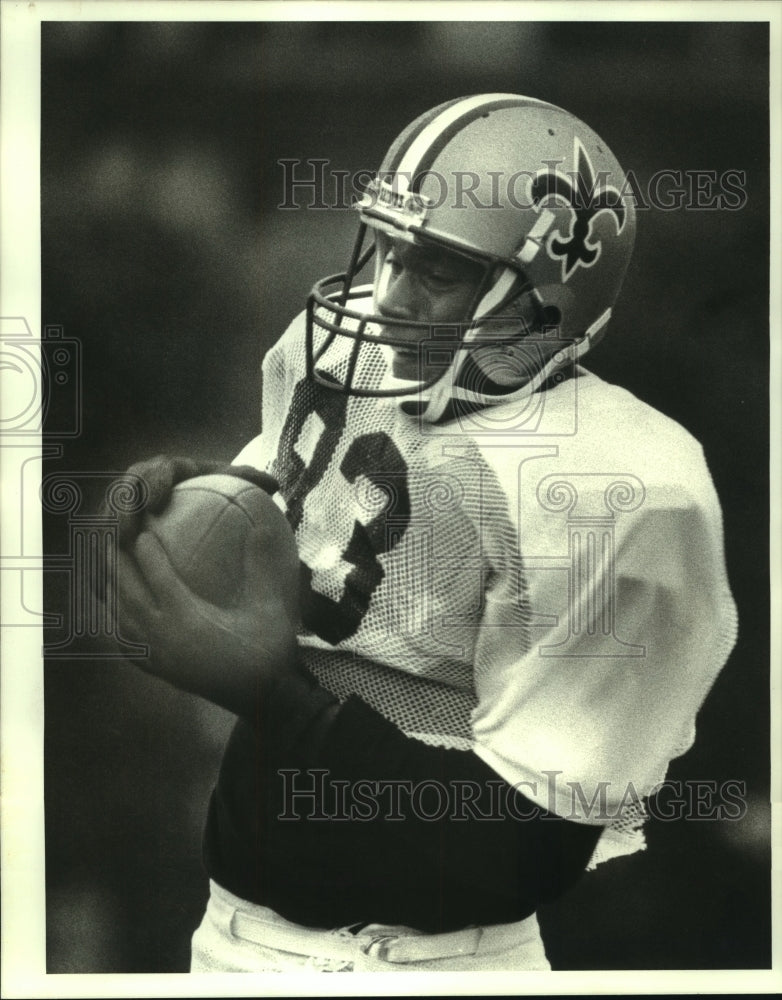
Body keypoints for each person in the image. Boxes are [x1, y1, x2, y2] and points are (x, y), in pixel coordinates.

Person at [112, 94, 738, 972]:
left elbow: (519, 848)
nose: (387, 296)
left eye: (437, 271)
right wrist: (215, 500)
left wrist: (271, 696)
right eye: (388, 250)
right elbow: (311, 525)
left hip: (434, 964)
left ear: (545, 301)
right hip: (231, 934)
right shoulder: (345, 350)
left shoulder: (619, 487)